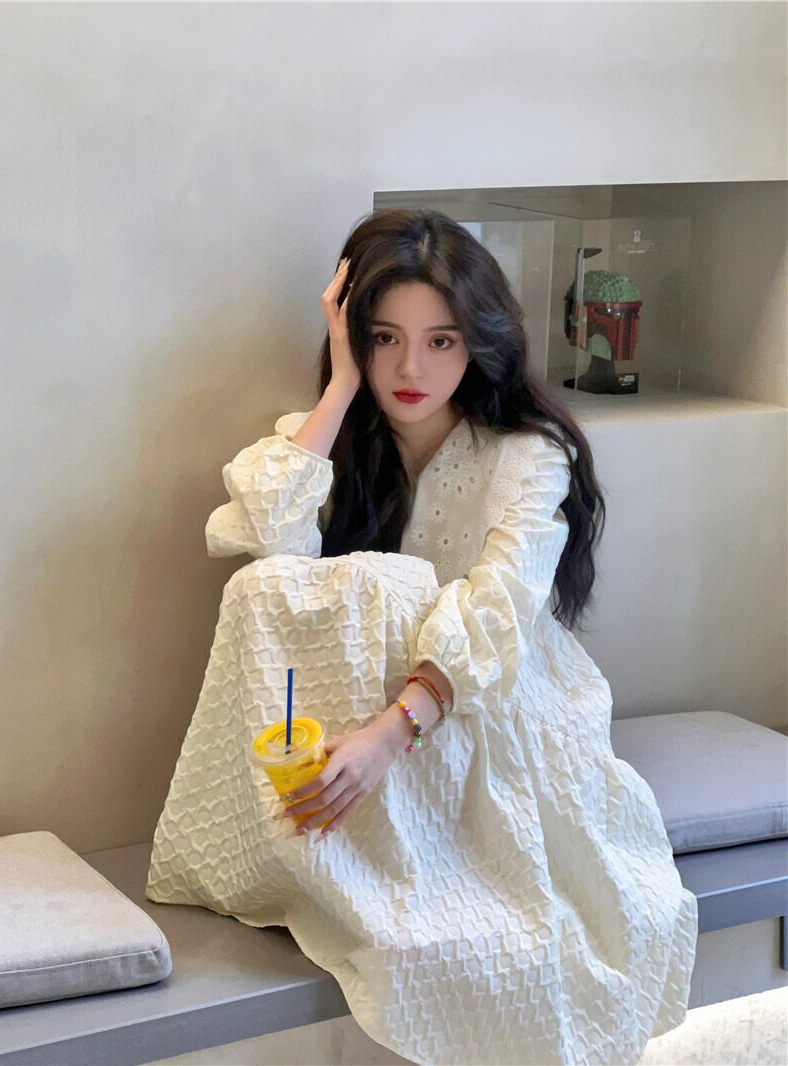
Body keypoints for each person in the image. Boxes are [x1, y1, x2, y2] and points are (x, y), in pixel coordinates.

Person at [147, 209, 698, 1066]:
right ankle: (337, 854)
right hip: (359, 730)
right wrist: (339, 387)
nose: (411, 369)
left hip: (495, 704)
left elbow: (498, 608)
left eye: (442, 341)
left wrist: (389, 733)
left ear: (479, 342)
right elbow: (266, 541)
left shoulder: (526, 456)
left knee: (401, 588)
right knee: (270, 584)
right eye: (384, 339)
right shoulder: (333, 442)